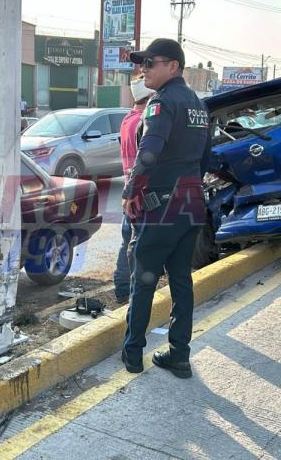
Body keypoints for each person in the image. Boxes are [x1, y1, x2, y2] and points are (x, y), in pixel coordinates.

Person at [121, 38, 211, 379]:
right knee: (181, 281)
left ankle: (132, 354)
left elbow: (149, 151)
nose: (143, 69)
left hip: (163, 208)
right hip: (191, 206)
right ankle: (179, 355)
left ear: (172, 66)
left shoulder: (160, 103)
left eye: (150, 62)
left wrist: (131, 191)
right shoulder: (199, 105)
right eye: (141, 63)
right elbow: (205, 159)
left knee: (143, 281)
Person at [113, 76, 154, 304]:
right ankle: (129, 290)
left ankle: (121, 288)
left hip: (130, 189)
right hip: (140, 189)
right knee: (137, 244)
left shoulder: (128, 119)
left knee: (127, 239)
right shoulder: (143, 121)